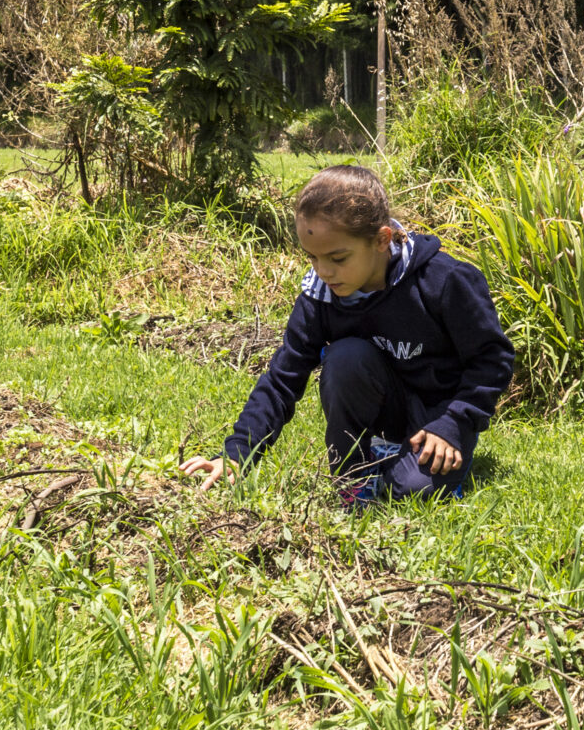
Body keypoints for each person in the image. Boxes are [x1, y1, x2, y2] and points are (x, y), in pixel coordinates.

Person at [181, 165, 514, 502]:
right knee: (345, 358)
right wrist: (238, 453)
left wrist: (455, 422)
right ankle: (353, 473)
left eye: (338, 258)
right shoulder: (321, 297)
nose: (324, 271)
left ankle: (412, 460)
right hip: (389, 409)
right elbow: (282, 380)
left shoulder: (445, 280)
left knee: (411, 491)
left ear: (381, 240)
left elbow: (492, 359)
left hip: (441, 415)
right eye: (312, 257)